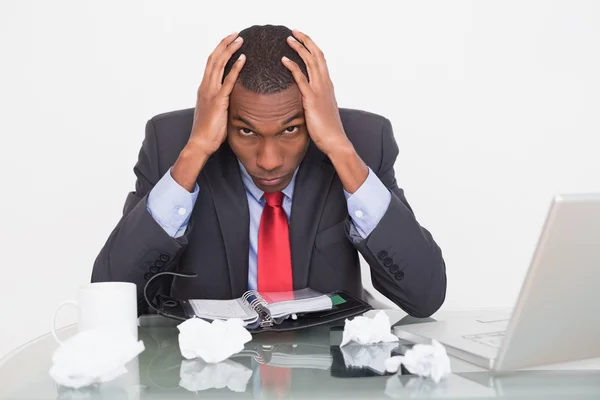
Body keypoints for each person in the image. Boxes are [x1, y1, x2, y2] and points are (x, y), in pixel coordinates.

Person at [92, 24, 446, 318]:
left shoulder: (363, 142)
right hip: (207, 376)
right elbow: (110, 296)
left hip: (323, 376)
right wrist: (196, 150)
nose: (269, 160)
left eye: (290, 129)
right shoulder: (171, 144)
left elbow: (424, 296)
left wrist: (340, 149)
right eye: (246, 131)